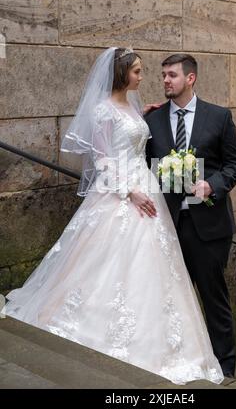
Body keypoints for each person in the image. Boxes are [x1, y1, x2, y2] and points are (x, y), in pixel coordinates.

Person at [3, 47, 224, 386]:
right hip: (123, 193)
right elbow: (102, 160)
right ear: (122, 74)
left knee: (154, 263)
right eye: (137, 71)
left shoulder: (136, 108)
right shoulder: (103, 110)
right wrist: (128, 191)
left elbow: (139, 137)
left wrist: (145, 115)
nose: (143, 76)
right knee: (104, 262)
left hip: (146, 189)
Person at [145, 53, 236, 378]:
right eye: (163, 75)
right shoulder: (154, 120)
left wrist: (211, 185)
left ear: (191, 78)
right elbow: (141, 164)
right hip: (168, 226)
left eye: (172, 75)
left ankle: (225, 368)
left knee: (213, 298)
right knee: (172, 299)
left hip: (209, 227)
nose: (165, 81)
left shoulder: (218, 117)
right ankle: (179, 363)